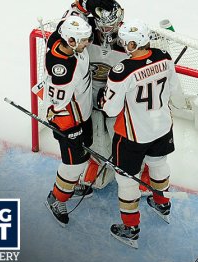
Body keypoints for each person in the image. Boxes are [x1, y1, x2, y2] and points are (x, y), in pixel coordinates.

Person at [55, 0, 153, 198]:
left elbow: (146, 68)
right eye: (104, 24)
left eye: (112, 24)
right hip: (88, 96)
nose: (107, 29)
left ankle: (142, 170)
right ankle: (96, 162)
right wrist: (83, 4)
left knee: (126, 140)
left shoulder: (130, 37)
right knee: (95, 135)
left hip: (120, 99)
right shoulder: (85, 32)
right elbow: (64, 28)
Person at [99, 19, 180, 248]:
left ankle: (131, 228)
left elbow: (111, 109)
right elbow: (174, 89)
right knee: (158, 164)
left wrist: (103, 99)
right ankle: (162, 203)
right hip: (162, 126)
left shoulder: (122, 71)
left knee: (126, 181)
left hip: (132, 135)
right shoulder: (164, 56)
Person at [42, 15, 94, 227]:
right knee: (74, 163)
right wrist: (68, 131)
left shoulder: (58, 37)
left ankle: (70, 186)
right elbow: (57, 107)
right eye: (83, 41)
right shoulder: (64, 71)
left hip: (83, 110)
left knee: (85, 151)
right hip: (71, 120)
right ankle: (57, 198)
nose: (87, 43)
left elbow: (71, 14)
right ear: (71, 42)